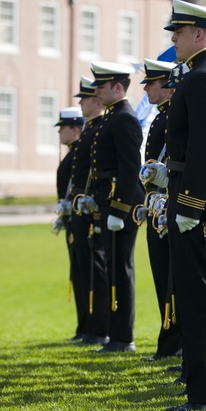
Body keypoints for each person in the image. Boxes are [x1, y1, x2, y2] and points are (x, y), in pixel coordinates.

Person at [145, 0, 206, 411]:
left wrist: (188, 202)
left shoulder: (204, 78)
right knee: (197, 293)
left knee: (203, 295)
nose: (173, 39)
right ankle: (204, 384)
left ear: (198, 34)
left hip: (200, 203)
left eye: (178, 33)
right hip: (196, 193)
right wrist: (171, 178)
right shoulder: (201, 76)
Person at [88, 61, 144, 353]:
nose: (97, 91)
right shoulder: (113, 117)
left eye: (101, 86)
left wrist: (120, 209)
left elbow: (129, 166)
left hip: (118, 202)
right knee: (112, 266)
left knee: (120, 268)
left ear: (118, 87)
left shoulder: (123, 118)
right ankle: (116, 334)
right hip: (108, 200)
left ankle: (123, 337)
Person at [138, 58, 183, 361]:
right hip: (156, 205)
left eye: (151, 83)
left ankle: (175, 344)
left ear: (167, 88)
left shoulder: (172, 117)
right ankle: (168, 342)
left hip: (168, 204)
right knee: (161, 274)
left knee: (172, 278)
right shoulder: (159, 118)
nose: (146, 88)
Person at [67, 77, 110, 347]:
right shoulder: (91, 131)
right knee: (85, 272)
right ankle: (90, 327)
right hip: (82, 211)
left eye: (85, 98)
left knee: (98, 272)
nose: (81, 103)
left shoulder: (100, 129)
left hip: (96, 211)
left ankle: (100, 328)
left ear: (97, 101)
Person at [54, 108, 85, 342]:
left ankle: (87, 328)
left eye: (62, 129)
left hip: (79, 219)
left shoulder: (77, 154)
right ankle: (82, 327)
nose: (60, 133)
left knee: (84, 275)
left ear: (74, 130)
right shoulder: (72, 154)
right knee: (78, 274)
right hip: (70, 218)